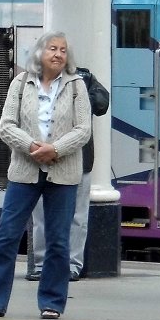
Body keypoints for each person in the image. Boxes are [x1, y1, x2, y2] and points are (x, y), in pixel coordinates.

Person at [0, 32, 90, 320]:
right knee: (6, 236)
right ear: (39, 53)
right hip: (24, 172)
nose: (58, 54)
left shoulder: (77, 87)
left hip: (62, 174)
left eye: (63, 50)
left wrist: (55, 149)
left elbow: (84, 129)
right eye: (52, 48)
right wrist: (33, 146)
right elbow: (6, 126)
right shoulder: (20, 84)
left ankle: (52, 303)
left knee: (58, 241)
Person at [28, 64, 109, 282]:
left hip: (78, 160)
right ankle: (41, 264)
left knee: (77, 217)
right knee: (42, 217)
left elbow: (102, 103)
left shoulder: (83, 77)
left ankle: (72, 265)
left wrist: (74, 98)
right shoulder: (32, 79)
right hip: (42, 159)